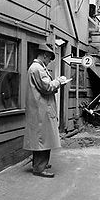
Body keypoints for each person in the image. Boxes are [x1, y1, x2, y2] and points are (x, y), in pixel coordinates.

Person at [23, 43, 67, 178]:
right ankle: (39, 168)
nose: (49, 63)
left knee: (41, 139)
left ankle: (38, 164)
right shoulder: (38, 68)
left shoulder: (36, 67)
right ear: (45, 56)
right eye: (49, 59)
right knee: (44, 139)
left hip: (40, 108)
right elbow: (47, 87)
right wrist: (59, 81)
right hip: (41, 109)